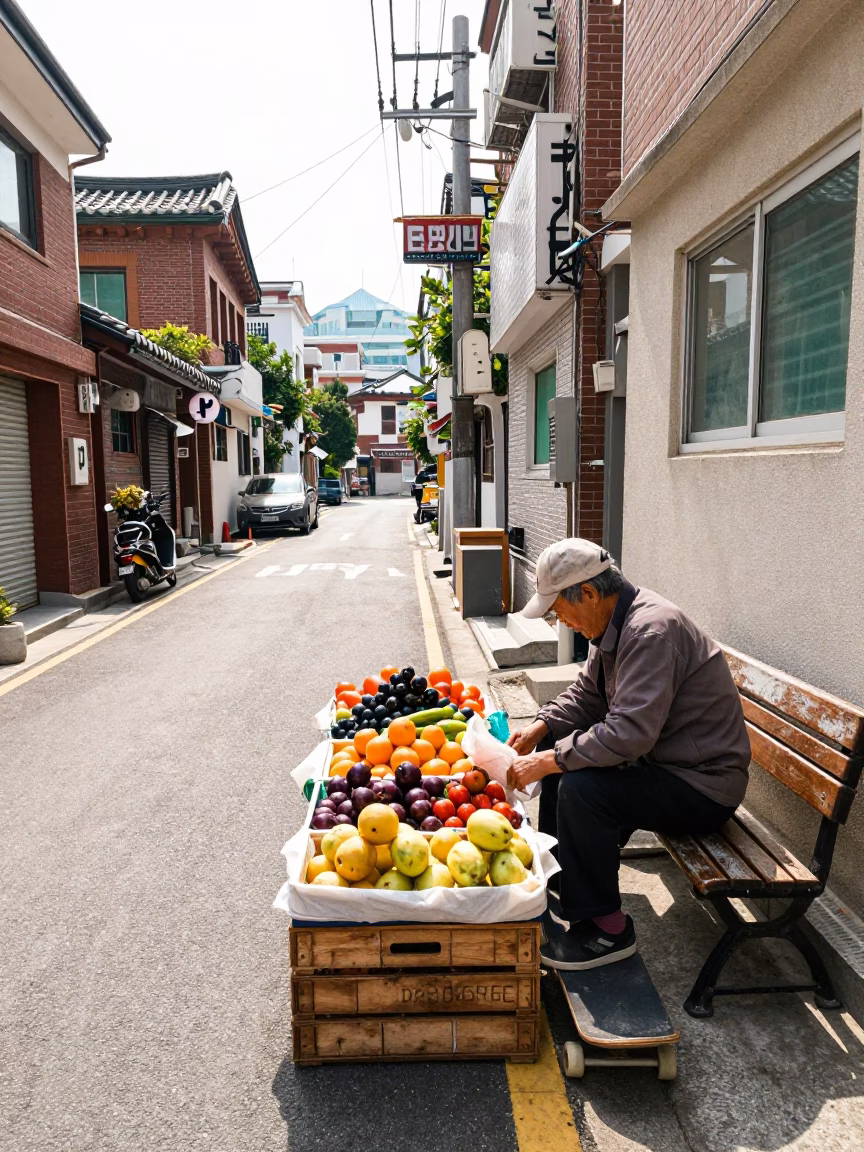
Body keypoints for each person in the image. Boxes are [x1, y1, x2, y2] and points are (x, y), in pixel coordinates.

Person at [508, 538, 750, 971]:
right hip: (663, 767)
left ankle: (608, 930)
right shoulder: (613, 624)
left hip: (703, 787)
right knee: (558, 743)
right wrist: (541, 727)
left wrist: (548, 761)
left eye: (558, 609)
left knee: (581, 786)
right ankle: (569, 876)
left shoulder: (650, 632)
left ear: (588, 593)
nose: (559, 620)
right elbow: (588, 695)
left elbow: (630, 733)